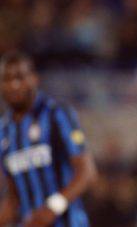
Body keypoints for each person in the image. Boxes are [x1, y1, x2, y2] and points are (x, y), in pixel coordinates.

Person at [0, 52, 96, 227]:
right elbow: (14, 198)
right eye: (6, 79)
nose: (14, 85)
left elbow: (86, 173)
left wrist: (52, 207)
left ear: (34, 79)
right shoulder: (3, 131)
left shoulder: (57, 114)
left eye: (20, 77)